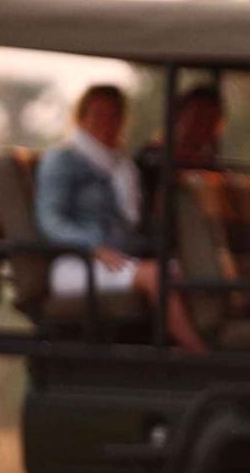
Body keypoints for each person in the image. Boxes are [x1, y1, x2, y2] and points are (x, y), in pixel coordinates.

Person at [33, 84, 206, 353]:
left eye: (115, 116)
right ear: (82, 118)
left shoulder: (123, 167)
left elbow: (134, 226)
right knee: (157, 275)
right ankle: (200, 355)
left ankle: (191, 344)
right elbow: (51, 221)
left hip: (121, 258)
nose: (107, 123)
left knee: (185, 269)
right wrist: (92, 246)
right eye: (99, 115)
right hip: (78, 262)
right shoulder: (62, 161)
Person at [135, 83, 225, 229]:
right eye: (197, 116)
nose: (203, 125)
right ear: (178, 117)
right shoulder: (152, 160)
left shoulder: (213, 168)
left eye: (211, 119)